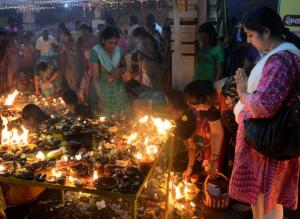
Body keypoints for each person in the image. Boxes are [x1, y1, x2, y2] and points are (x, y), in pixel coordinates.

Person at [230, 6, 300, 219]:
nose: (249, 40)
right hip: (271, 140)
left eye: (251, 35)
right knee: (268, 200)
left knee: (266, 199)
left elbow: (263, 106)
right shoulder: (283, 55)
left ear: (267, 32)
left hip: (268, 143)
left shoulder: (281, 60)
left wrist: (243, 93)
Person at [183, 80, 226, 177]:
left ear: (205, 98)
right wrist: (214, 161)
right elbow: (216, 132)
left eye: (198, 106)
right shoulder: (210, 107)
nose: (197, 109)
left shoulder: (227, 91)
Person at [88, 26, 129, 116]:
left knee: (120, 118)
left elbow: (124, 67)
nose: (113, 46)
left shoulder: (119, 50)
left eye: (115, 43)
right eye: (110, 43)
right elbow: (95, 78)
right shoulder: (95, 52)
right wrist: (100, 98)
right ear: (103, 40)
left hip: (118, 88)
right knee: (105, 118)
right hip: (101, 89)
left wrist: (120, 71)